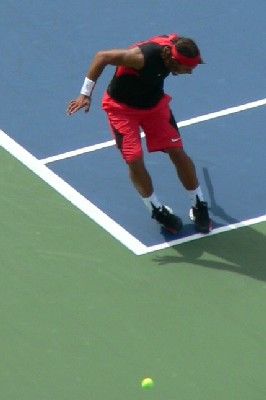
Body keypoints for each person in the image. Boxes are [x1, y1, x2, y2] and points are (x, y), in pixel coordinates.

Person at [67, 33, 211, 234]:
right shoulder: (139, 58)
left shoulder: (175, 46)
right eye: (188, 68)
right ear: (172, 61)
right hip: (122, 110)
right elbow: (102, 56)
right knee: (134, 159)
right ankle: (156, 209)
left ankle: (199, 204)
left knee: (177, 151)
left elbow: (169, 37)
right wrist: (85, 93)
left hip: (155, 106)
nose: (190, 72)